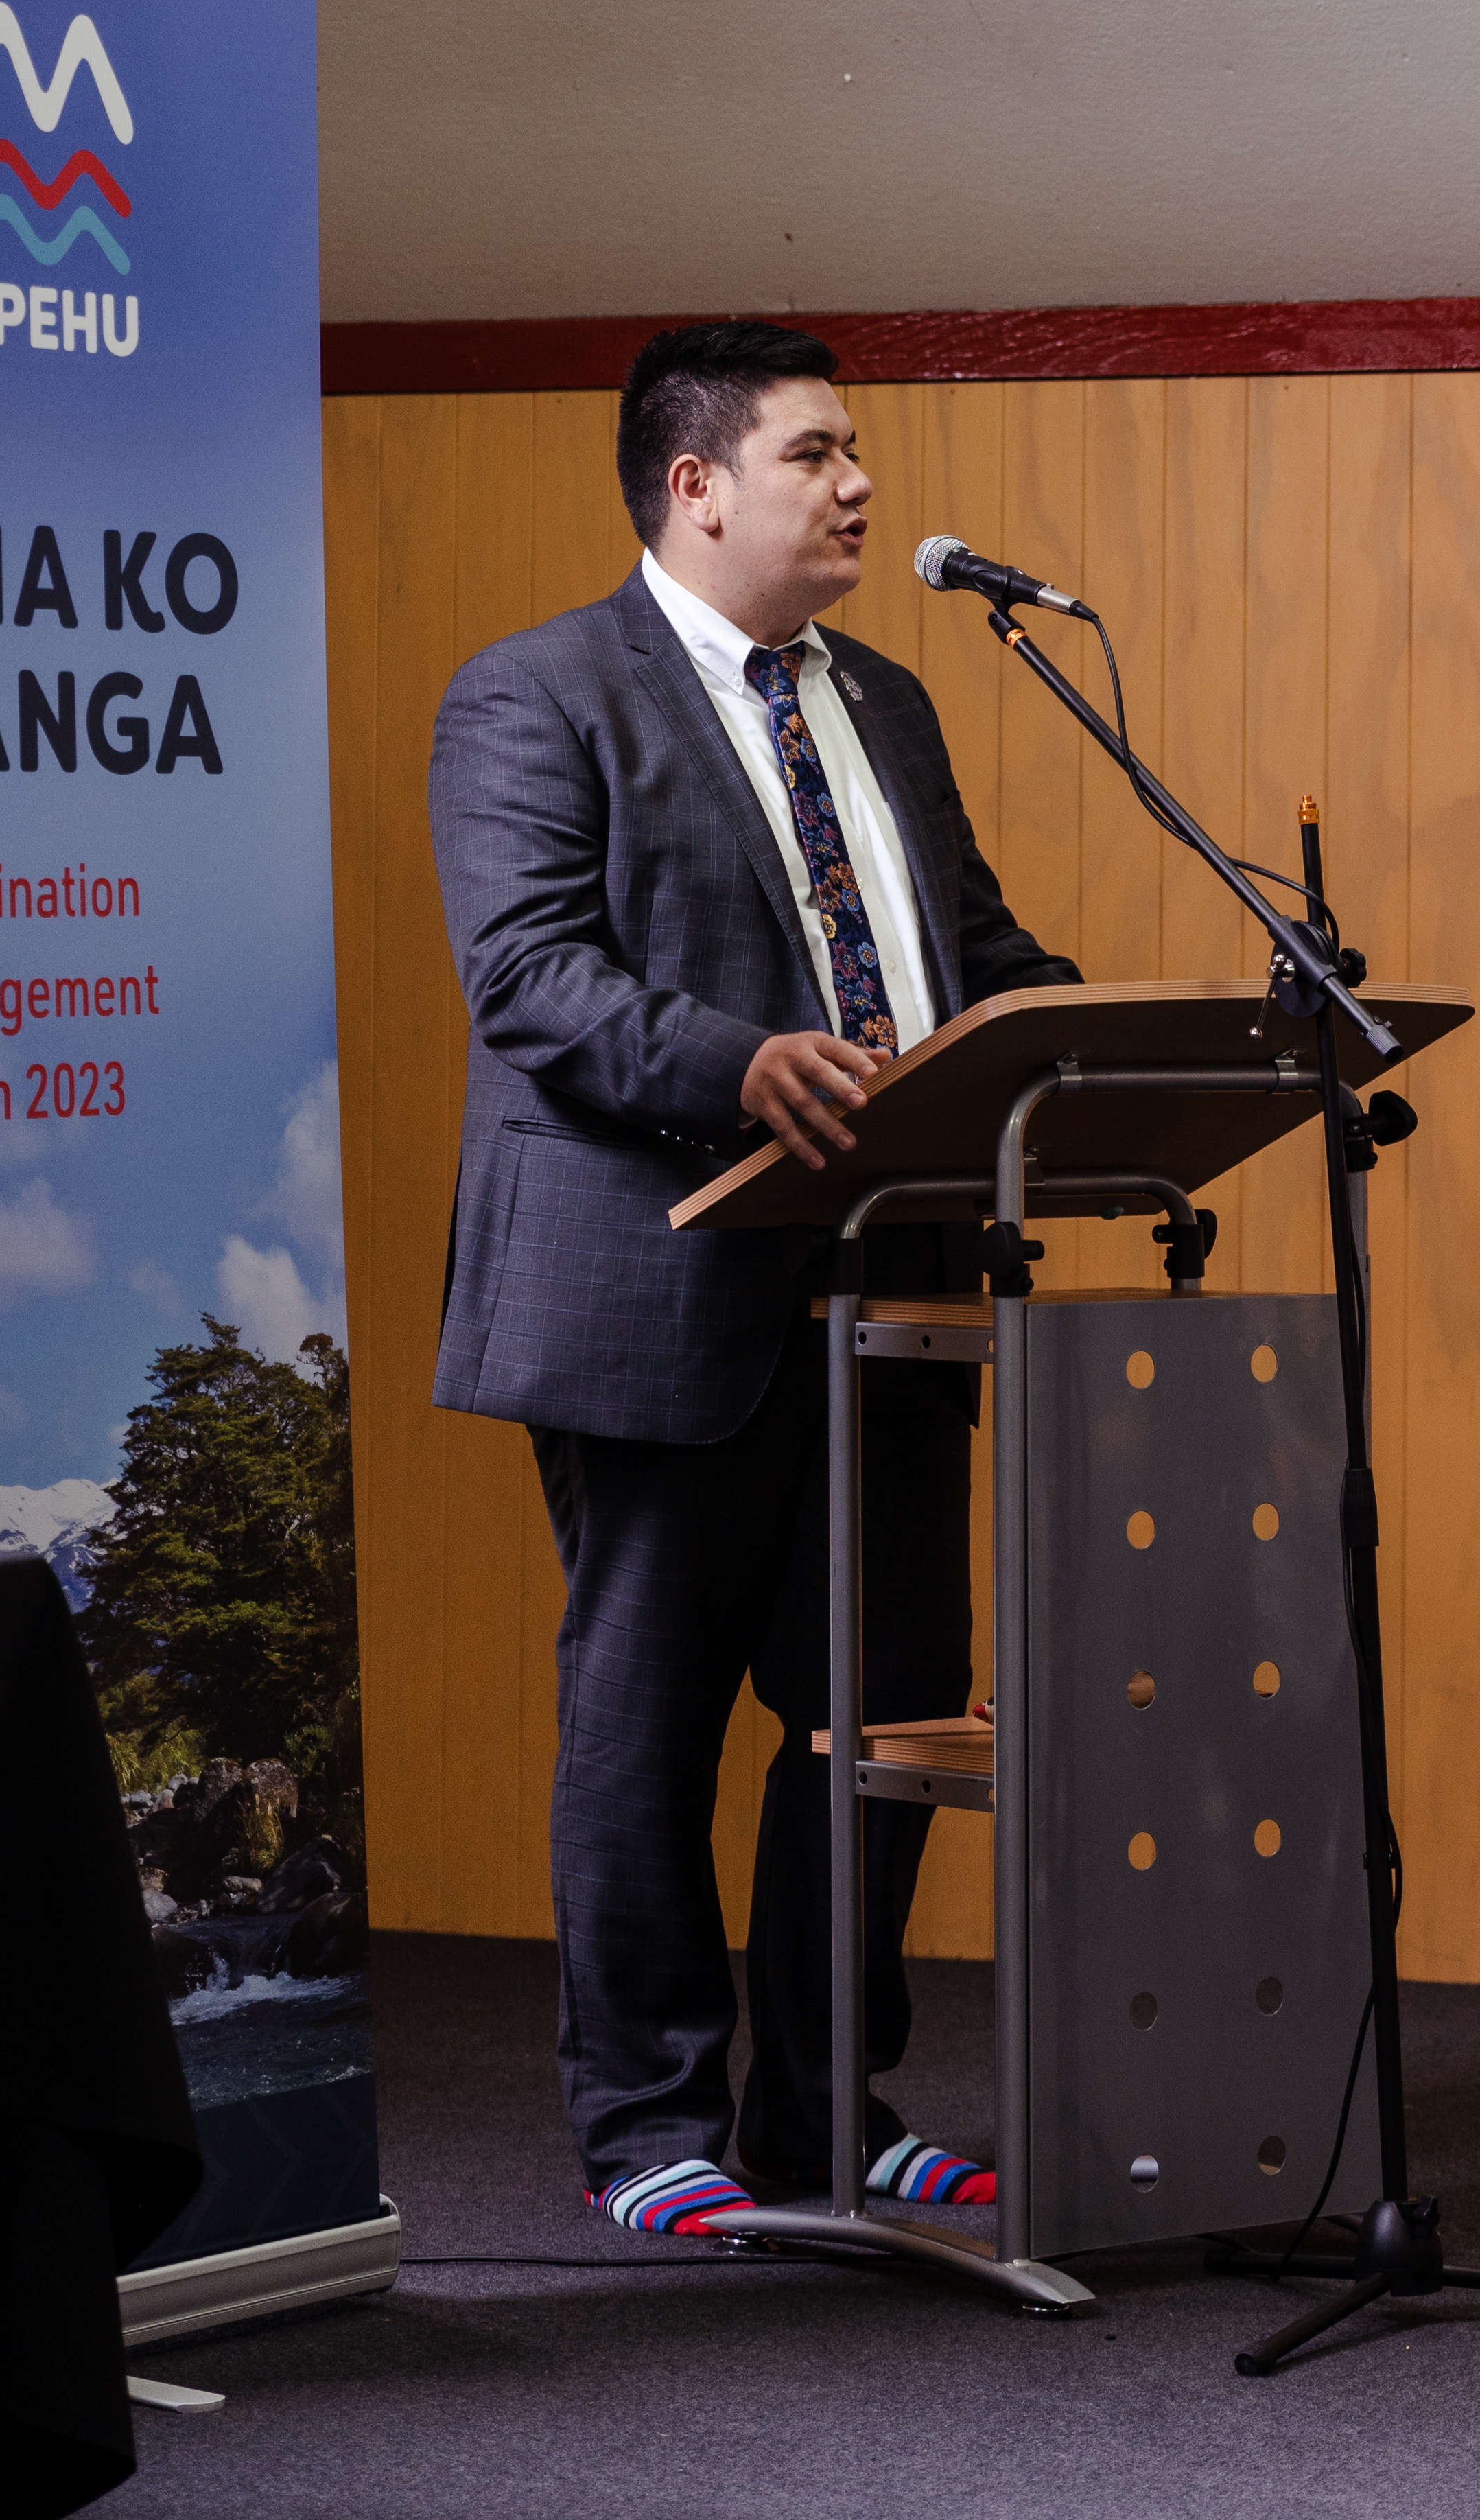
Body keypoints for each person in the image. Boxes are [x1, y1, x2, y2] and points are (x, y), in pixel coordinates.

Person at [427, 320, 1081, 2235]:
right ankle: (644, 2131)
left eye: (853, 449)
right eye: (814, 454)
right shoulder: (536, 694)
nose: (858, 482)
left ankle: (820, 2105)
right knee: (644, 1728)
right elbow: (529, 974)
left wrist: (1078, 1032)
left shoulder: (881, 698)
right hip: (657, 1284)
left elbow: (963, 947)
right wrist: (735, 1064)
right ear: (690, 483)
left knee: (871, 1714)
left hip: (894, 1279)